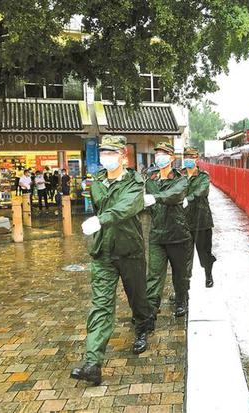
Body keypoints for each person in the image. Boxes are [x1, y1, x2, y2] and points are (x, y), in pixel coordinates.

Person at [70, 135, 154, 386]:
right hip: (103, 252)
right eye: (103, 152)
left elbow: (126, 207)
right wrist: (102, 220)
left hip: (130, 250)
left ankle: (142, 328)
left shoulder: (135, 181)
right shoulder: (96, 182)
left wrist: (101, 220)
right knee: (101, 306)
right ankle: (92, 363)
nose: (106, 157)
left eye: (111, 152)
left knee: (137, 298)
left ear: (122, 156)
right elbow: (102, 204)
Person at [144, 142, 192, 317]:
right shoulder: (151, 181)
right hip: (157, 235)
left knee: (180, 274)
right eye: (157, 154)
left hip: (178, 234)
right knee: (154, 275)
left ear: (172, 157)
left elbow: (175, 195)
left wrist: (155, 198)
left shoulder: (181, 179)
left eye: (163, 153)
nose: (159, 157)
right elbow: (148, 207)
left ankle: (181, 300)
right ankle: (151, 309)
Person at [182, 147, 216, 288]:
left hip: (202, 221)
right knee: (185, 256)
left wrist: (187, 198)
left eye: (192, 156)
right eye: (187, 156)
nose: (189, 159)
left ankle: (208, 274)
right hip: (184, 221)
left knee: (204, 252)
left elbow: (201, 191)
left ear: (197, 159)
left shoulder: (203, 176)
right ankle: (184, 283)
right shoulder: (179, 176)